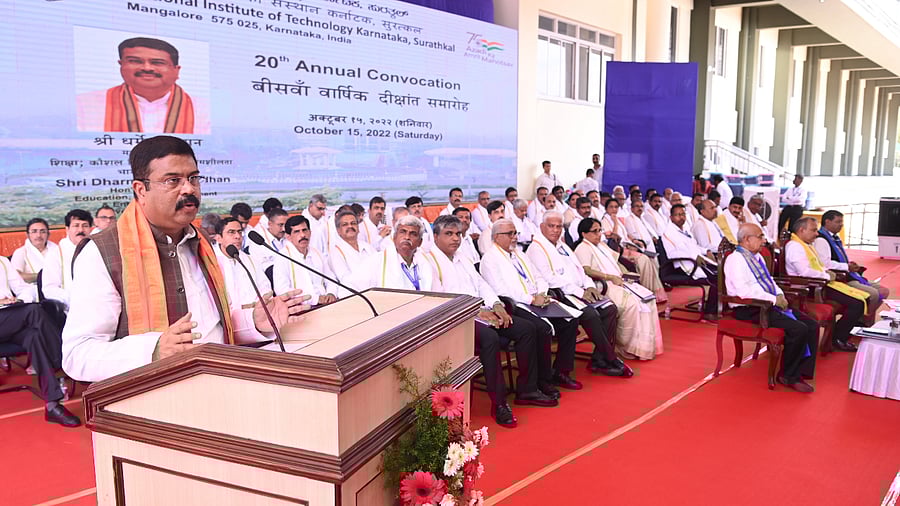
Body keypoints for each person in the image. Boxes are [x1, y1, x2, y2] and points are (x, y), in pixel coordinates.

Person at [62, 136, 306, 382]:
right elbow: (77, 355)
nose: (189, 189)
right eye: (173, 180)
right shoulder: (102, 252)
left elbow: (209, 328)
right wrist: (154, 350)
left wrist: (254, 322)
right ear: (141, 190)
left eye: (193, 178)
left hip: (218, 382)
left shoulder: (200, 242)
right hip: (156, 396)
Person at [426, 216, 557, 427]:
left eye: (458, 234)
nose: (455, 239)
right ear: (435, 236)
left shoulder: (462, 258)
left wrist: (496, 305)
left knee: (526, 329)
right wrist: (477, 311)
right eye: (449, 234)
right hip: (459, 319)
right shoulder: (429, 262)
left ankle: (527, 389)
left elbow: (482, 285)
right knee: (490, 338)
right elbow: (442, 299)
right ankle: (499, 403)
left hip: (483, 311)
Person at [479, 219, 580, 392]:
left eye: (515, 233)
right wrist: (531, 299)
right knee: (541, 329)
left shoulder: (519, 253)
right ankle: (543, 380)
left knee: (570, 321)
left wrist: (541, 293)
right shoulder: (490, 259)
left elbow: (538, 276)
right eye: (509, 234)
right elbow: (501, 290)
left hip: (538, 299)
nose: (514, 237)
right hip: (518, 304)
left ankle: (561, 372)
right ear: (496, 237)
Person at [527, 212, 631, 377]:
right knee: (590, 314)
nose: (556, 230)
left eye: (559, 226)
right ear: (542, 227)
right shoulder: (536, 248)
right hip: (562, 294)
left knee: (610, 309)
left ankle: (599, 360)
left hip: (580, 290)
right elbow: (549, 280)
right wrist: (580, 292)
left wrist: (589, 286)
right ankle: (610, 358)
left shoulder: (562, 245)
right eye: (551, 226)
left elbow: (580, 270)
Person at [725, 223, 818, 392]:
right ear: (747, 239)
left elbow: (769, 281)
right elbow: (743, 292)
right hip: (749, 307)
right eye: (760, 237)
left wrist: (779, 294)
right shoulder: (735, 259)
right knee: (799, 329)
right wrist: (773, 299)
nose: (764, 241)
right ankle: (788, 376)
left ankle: (801, 370)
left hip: (766, 303)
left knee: (812, 325)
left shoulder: (756, 257)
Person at [0, 255, 80, 426]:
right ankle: (64, 361)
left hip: (9, 320)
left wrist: (19, 299)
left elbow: (24, 289)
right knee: (33, 312)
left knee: (34, 336)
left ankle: (52, 405)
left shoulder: (3, 262)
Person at [76, 37, 209, 134]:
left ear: (176, 70)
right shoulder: (84, 105)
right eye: (135, 61)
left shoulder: (203, 109)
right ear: (121, 65)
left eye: (157, 62)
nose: (147, 68)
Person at [573, 218, 663, 360]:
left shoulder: (601, 245)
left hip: (617, 280)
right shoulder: (582, 248)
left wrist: (626, 273)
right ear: (584, 234)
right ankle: (626, 346)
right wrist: (609, 277)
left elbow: (615, 262)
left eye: (600, 230)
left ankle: (643, 347)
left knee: (647, 299)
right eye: (594, 231)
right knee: (632, 304)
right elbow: (586, 270)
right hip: (602, 285)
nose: (598, 234)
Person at [785, 217, 867, 352]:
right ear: (801, 230)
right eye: (813, 230)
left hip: (819, 283)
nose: (816, 234)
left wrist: (827, 273)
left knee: (862, 298)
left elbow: (818, 265)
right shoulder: (795, 246)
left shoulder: (806, 245)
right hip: (810, 287)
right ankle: (838, 338)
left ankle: (837, 335)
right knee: (857, 304)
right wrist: (826, 275)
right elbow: (804, 272)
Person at [815, 210, 889, 325]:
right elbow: (825, 263)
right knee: (873, 294)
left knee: (884, 291)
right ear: (827, 222)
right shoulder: (821, 239)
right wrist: (846, 266)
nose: (841, 225)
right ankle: (862, 323)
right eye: (838, 222)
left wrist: (850, 264)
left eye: (842, 222)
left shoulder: (834, 238)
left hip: (848, 273)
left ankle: (862, 321)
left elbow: (838, 258)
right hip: (840, 278)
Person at [660, 204, 719, 319]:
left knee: (721, 272)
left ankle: (717, 305)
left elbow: (695, 247)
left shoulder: (685, 230)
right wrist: (694, 257)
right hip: (684, 266)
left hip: (697, 262)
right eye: (678, 215)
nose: (681, 217)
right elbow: (672, 254)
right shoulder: (668, 233)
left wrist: (706, 251)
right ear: (671, 217)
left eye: (683, 214)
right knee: (716, 278)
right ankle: (710, 311)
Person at [346, 215, 434, 291]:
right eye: (403, 232)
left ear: (420, 242)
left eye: (413, 234)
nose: (407, 237)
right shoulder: (376, 261)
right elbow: (349, 287)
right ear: (394, 237)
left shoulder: (426, 263)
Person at [272, 215, 338, 306]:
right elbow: (282, 290)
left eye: (304, 230)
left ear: (310, 233)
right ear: (288, 237)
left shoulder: (317, 253)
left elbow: (330, 278)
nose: (302, 235)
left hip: (326, 304)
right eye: (297, 232)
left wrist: (331, 293)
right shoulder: (282, 257)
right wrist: (315, 299)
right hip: (301, 308)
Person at [214, 217, 271, 309]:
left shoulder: (250, 260)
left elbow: (265, 286)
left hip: (255, 312)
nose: (238, 236)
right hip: (227, 314)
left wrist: (262, 302)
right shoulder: (212, 262)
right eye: (231, 232)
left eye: (240, 232)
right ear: (218, 238)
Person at [329, 208, 376, 288]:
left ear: (358, 227)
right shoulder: (336, 252)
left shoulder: (367, 247)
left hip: (376, 290)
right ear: (338, 230)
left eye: (353, 223)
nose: (350, 226)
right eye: (345, 224)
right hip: (355, 294)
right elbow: (346, 280)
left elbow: (380, 268)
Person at [11, 218, 59, 285]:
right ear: (27, 235)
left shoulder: (57, 250)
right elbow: (16, 277)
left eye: (43, 231)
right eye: (34, 231)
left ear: (48, 234)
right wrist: (42, 276)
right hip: (32, 289)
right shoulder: (21, 252)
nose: (38, 235)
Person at [247, 207, 288, 280]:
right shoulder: (258, 241)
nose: (284, 229)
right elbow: (261, 267)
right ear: (270, 224)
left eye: (286, 225)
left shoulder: (289, 237)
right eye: (280, 225)